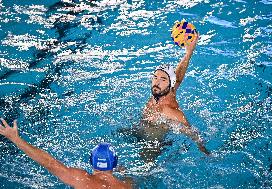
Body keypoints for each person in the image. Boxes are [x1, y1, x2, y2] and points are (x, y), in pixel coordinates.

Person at [0, 118, 132, 189]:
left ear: (91, 161)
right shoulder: (127, 186)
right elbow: (129, 179)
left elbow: (49, 163)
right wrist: (124, 173)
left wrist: (15, 139)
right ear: (114, 163)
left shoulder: (81, 179)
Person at [141, 33, 210, 156]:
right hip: (140, 130)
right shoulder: (161, 92)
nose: (156, 83)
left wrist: (204, 150)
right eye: (155, 77)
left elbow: (191, 132)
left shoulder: (170, 110)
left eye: (162, 80)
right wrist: (188, 53)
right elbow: (177, 78)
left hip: (153, 144)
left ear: (169, 85)